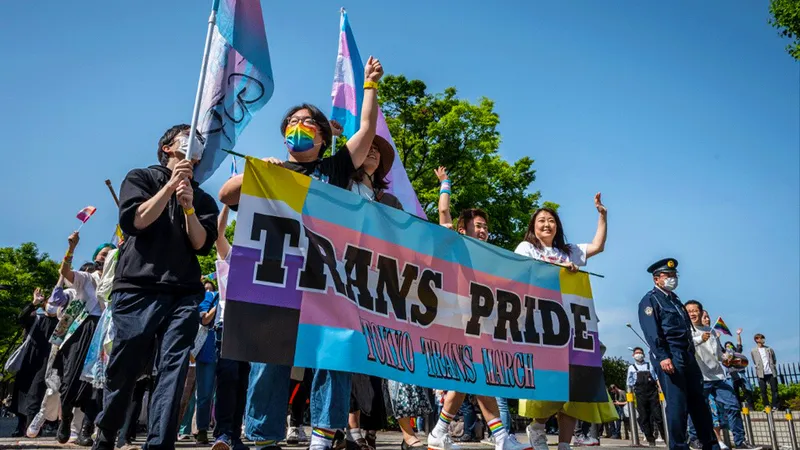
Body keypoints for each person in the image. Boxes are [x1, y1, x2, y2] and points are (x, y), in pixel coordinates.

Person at [219, 56, 384, 450]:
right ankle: (262, 437)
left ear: (323, 137)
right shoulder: (271, 173)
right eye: (292, 122)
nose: (299, 128)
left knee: (332, 355)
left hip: (329, 281)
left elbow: (365, 130)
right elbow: (227, 195)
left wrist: (371, 86)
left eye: (308, 122)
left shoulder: (337, 169)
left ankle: (324, 436)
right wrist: (258, 172)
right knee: (269, 359)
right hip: (279, 281)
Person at [92, 123, 219, 450]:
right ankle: (106, 433)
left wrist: (189, 206)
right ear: (166, 148)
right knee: (124, 369)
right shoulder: (140, 178)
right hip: (137, 289)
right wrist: (170, 187)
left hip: (183, 294)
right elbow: (136, 220)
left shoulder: (202, 198)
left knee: (172, 372)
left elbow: (201, 242)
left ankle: (160, 443)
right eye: (188, 138)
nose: (196, 144)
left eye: (200, 143)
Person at [427, 168, 529, 450]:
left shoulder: (490, 256)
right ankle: (499, 438)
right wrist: (445, 184)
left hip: (480, 321)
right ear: (464, 229)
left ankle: (439, 431)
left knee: (468, 377)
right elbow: (444, 213)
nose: (483, 230)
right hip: (457, 320)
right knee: (479, 375)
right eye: (478, 225)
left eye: (485, 226)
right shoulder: (456, 243)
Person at [514, 198, 612, 450]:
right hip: (542, 326)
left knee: (575, 385)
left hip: (574, 326)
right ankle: (537, 425)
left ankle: (565, 444)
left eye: (551, 221)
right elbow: (519, 274)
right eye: (541, 221)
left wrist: (602, 215)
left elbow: (597, 246)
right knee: (551, 381)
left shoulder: (568, 251)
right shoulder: (526, 248)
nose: (547, 225)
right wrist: (556, 268)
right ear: (533, 227)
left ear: (557, 226)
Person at [638, 258, 717, 450]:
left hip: (687, 354)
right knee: (677, 405)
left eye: (674, 275)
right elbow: (652, 331)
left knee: (699, 403)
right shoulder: (650, 300)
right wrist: (662, 356)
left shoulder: (675, 300)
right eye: (668, 275)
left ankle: (711, 444)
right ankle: (679, 446)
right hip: (670, 355)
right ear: (657, 279)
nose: (673, 278)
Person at [54, 235, 114, 446]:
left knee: (98, 384)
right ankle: (66, 418)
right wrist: (71, 248)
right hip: (82, 330)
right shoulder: (87, 278)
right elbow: (64, 272)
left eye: (109, 255)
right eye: (102, 254)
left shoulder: (117, 279)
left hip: (104, 332)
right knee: (69, 379)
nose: (105, 258)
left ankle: (86, 430)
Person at [686, 302, 757, 450]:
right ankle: (694, 439)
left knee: (733, 405)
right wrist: (700, 339)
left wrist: (728, 358)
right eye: (689, 311)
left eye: (696, 311)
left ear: (701, 313)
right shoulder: (687, 331)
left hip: (718, 377)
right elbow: (686, 346)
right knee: (697, 409)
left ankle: (740, 442)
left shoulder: (711, 332)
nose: (692, 314)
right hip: (700, 378)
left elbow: (718, 354)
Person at [10, 288, 59, 437]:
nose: (53, 305)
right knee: (21, 393)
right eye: (50, 302)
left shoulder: (60, 322)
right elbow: (21, 318)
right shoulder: (36, 318)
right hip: (29, 360)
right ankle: (21, 425)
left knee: (36, 394)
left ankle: (32, 428)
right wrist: (34, 303)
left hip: (46, 361)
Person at [625, 347, 664, 446]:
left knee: (658, 416)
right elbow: (629, 383)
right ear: (633, 355)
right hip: (640, 394)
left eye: (641, 353)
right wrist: (629, 397)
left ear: (644, 355)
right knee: (644, 418)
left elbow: (656, 378)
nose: (639, 354)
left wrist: (660, 389)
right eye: (637, 353)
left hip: (652, 393)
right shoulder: (631, 368)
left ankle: (665, 436)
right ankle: (650, 439)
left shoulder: (649, 365)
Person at [724, 330, 754, 409]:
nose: (728, 347)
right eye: (727, 346)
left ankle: (751, 406)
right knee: (735, 391)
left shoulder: (737, 352)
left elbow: (739, 344)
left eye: (730, 346)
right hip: (732, 374)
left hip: (740, 373)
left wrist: (738, 334)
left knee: (746, 389)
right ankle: (738, 407)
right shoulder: (725, 355)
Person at [750, 334, 778, 409]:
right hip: (761, 373)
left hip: (771, 372)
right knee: (763, 390)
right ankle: (766, 405)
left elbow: (774, 359)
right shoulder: (753, 351)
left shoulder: (769, 349)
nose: (763, 340)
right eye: (761, 338)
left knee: (774, 389)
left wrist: (772, 366)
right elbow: (754, 361)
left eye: (763, 338)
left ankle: (775, 405)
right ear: (757, 340)